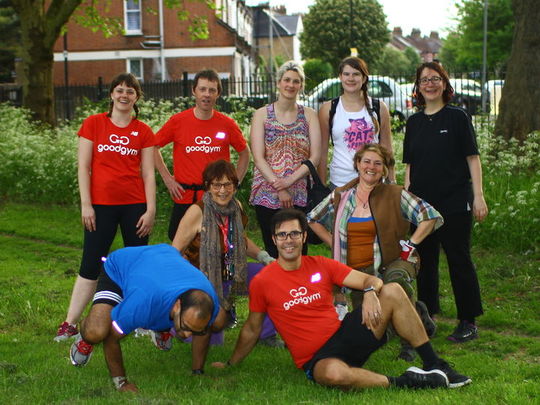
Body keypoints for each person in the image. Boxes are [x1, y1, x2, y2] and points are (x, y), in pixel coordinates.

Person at [212, 209, 471, 390]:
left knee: (391, 290)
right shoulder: (263, 281)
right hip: (319, 358)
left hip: (347, 336)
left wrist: (370, 293)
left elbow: (372, 281)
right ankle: (409, 381)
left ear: (304, 237)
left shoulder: (321, 264)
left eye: (294, 234)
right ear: (274, 240)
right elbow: (252, 328)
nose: (288, 240)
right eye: (282, 235)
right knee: (332, 375)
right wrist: (230, 363)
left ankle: (435, 365)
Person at [308, 143, 442, 361]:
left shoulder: (395, 193)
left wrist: (412, 244)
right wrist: (333, 242)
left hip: (391, 261)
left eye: (378, 163)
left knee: (395, 284)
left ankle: (410, 345)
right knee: (372, 325)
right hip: (356, 269)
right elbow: (312, 219)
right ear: (358, 165)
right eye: (366, 161)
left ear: (385, 169)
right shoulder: (341, 196)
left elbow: (430, 215)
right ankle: (419, 313)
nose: (371, 167)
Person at [54, 73, 156, 341]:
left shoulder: (143, 131)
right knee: (90, 263)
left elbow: (148, 173)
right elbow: (84, 167)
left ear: (136, 98)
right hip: (100, 207)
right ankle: (70, 323)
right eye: (120, 90)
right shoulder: (94, 124)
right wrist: (86, 205)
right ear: (111, 94)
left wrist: (151, 209)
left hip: (135, 206)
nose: (124, 95)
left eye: (130, 92)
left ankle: (139, 321)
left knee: (137, 267)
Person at [403, 62, 488, 343]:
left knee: (458, 259)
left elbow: (472, 159)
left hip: (454, 202)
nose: (430, 84)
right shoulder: (413, 122)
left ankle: (468, 321)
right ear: (418, 86)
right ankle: (428, 317)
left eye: (435, 79)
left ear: (444, 84)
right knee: (424, 262)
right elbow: (409, 166)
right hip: (422, 207)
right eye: (424, 80)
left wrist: (478, 196)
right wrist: (407, 201)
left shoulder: (457, 117)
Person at [69, 244, 224, 393]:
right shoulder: (143, 302)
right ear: (177, 305)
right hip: (121, 268)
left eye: (194, 330)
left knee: (219, 322)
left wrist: (198, 372)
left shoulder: (209, 304)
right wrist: (121, 382)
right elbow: (112, 337)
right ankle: (85, 338)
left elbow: (204, 330)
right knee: (97, 332)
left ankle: (160, 326)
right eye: (185, 326)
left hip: (160, 262)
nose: (188, 335)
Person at [171, 159, 282, 348]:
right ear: (207, 186)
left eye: (227, 184)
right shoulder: (196, 212)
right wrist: (184, 284)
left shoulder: (235, 206)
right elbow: (174, 252)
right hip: (202, 279)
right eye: (216, 185)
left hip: (231, 271)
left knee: (274, 277)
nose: (222, 190)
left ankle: (265, 334)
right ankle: (175, 326)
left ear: (235, 186)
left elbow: (240, 240)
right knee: (212, 342)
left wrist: (265, 258)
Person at [154, 69, 250, 241]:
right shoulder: (178, 122)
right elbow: (153, 147)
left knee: (216, 242)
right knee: (179, 241)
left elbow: (244, 153)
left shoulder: (226, 124)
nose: (207, 94)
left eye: (212, 90)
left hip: (216, 196)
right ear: (194, 91)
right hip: (185, 196)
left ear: (218, 94)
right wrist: (168, 179)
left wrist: (234, 184)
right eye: (203, 89)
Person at [249, 61, 321, 258]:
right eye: (287, 80)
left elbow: (315, 156)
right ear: (279, 83)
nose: (290, 85)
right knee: (274, 247)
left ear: (301, 85)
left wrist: (289, 182)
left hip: (299, 192)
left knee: (299, 248)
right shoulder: (262, 114)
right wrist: (280, 187)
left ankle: (300, 287)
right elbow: (258, 156)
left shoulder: (309, 115)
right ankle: (277, 288)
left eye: (296, 81)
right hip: (267, 191)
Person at [317, 56, 394, 188]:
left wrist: (391, 181)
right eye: (346, 74)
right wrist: (321, 186)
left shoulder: (379, 107)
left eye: (356, 74)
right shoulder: (329, 109)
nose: (351, 78)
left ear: (364, 78)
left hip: (373, 181)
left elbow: (387, 148)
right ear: (340, 77)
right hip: (341, 183)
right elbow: (322, 151)